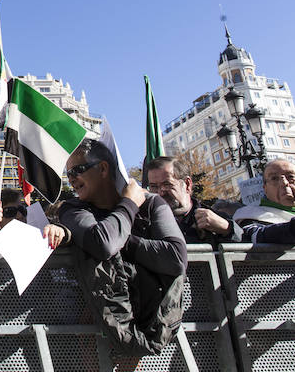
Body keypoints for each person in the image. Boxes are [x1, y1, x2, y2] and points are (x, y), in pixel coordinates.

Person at [59, 138, 187, 356]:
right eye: (68, 173)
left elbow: (176, 258)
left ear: (103, 168)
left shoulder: (151, 204)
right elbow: (104, 243)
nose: (71, 179)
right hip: (99, 327)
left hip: (157, 323)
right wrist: (128, 205)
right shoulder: (72, 209)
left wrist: (121, 237)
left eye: (77, 170)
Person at [145, 156, 243, 245]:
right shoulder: (146, 225)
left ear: (187, 184)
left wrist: (228, 229)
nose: (161, 192)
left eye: (167, 184)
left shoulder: (215, 219)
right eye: (154, 187)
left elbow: (249, 252)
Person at [234, 159, 295, 244]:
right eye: (274, 178)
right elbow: (254, 236)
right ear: (265, 188)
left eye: (291, 177)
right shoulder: (249, 215)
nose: (284, 183)